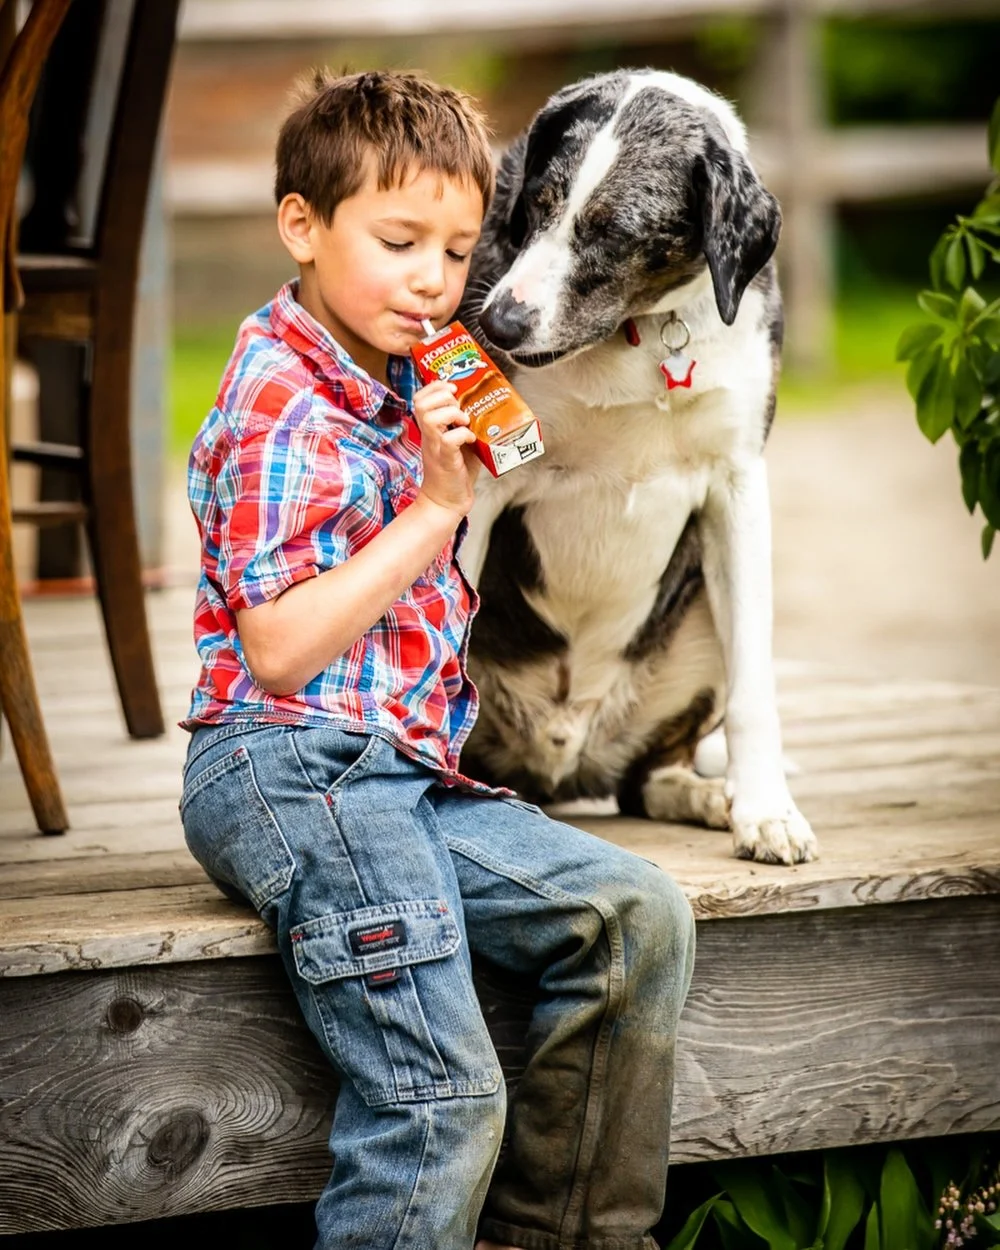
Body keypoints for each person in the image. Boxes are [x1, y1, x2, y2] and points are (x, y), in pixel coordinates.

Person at [179, 67, 696, 1250]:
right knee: (441, 1097)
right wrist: (432, 510)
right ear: (299, 226)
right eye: (400, 240)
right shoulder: (279, 402)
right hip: (289, 760)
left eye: (457, 252)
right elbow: (275, 650)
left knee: (639, 916)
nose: (433, 280)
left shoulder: (412, 368)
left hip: (402, 774)